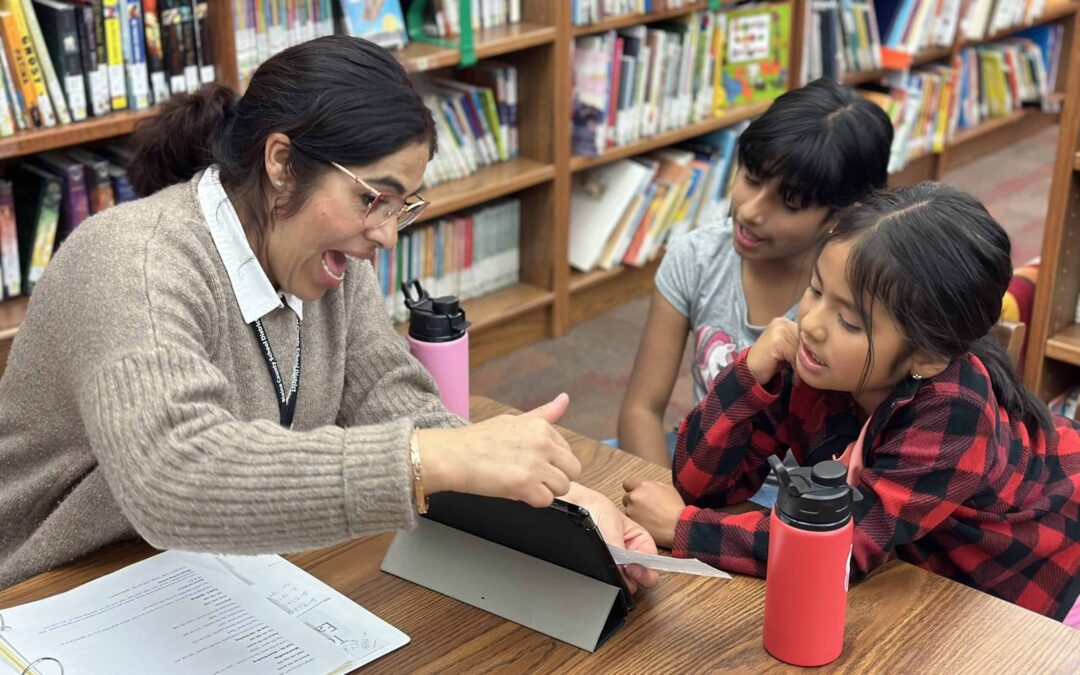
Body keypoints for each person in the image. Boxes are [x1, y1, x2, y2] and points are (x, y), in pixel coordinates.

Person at [0, 36, 656, 593]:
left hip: (203, 573)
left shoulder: (325, 257)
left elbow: (385, 395)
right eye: (373, 198)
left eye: (402, 206)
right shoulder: (132, 263)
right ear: (282, 163)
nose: (386, 234)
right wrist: (433, 457)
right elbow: (173, 475)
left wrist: (561, 507)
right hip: (50, 591)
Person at [623, 183, 1080, 625]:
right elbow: (704, 487)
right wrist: (748, 376)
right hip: (917, 566)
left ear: (926, 355)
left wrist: (683, 528)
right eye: (815, 290)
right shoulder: (816, 363)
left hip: (1031, 566)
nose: (812, 325)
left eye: (848, 321)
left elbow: (840, 550)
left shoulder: (955, 412)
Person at [617, 79, 893, 470]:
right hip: (703, 467)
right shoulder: (697, 257)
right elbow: (641, 409)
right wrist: (664, 494)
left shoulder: (859, 302)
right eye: (751, 178)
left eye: (789, 203)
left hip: (804, 491)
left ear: (844, 215)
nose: (750, 211)